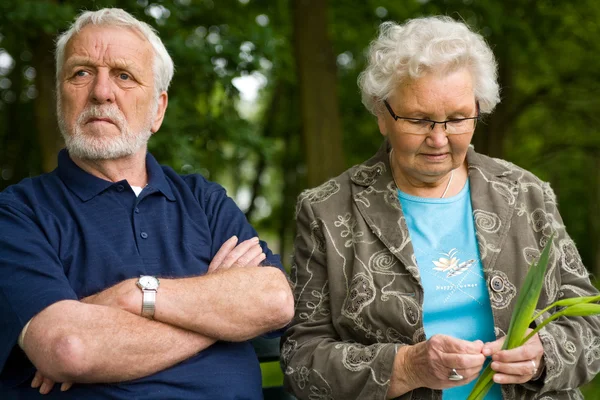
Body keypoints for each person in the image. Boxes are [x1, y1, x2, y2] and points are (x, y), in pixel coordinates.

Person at [281, 16, 600, 400]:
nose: (438, 138)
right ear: (382, 113)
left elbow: (590, 321)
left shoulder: (526, 194)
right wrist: (406, 367)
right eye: (419, 119)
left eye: (457, 119)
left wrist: (543, 356)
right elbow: (301, 360)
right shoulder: (327, 211)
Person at [0, 8, 294, 399]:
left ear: (158, 109)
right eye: (81, 72)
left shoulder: (204, 200)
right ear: (60, 98)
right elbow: (70, 347)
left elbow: (273, 300)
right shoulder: (17, 213)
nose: (101, 91)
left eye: (124, 76)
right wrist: (219, 313)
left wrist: (134, 295)